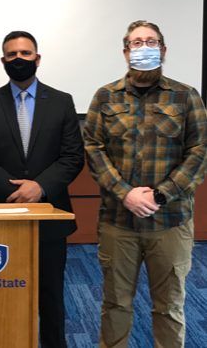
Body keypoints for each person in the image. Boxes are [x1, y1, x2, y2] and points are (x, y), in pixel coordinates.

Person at [84, 20, 207, 348]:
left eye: (151, 42)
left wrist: (161, 194)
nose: (144, 48)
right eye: (137, 43)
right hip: (117, 222)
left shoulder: (185, 96)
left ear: (163, 50)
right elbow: (93, 150)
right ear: (126, 52)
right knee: (115, 306)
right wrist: (125, 194)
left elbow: (199, 152)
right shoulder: (105, 96)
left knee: (169, 308)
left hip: (170, 221)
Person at [0, 30, 84, 348]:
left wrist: (40, 188)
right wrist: (19, 191)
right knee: (0, 292)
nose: (19, 59)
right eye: (12, 55)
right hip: (0, 216)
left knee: (51, 296)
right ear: (3, 61)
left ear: (38, 58)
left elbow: (73, 158)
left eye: (25, 53)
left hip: (50, 216)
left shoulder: (62, 101)